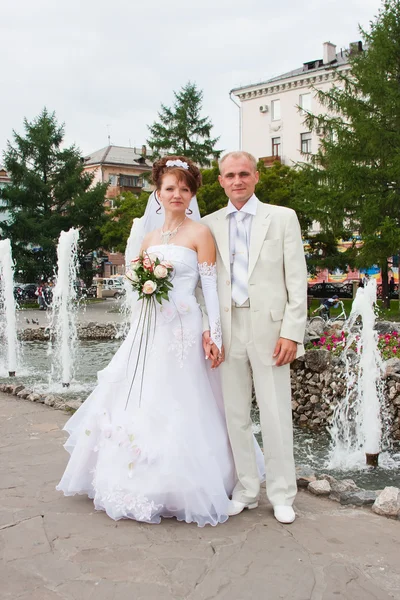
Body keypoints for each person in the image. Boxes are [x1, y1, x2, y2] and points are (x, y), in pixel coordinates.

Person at [57, 155, 264, 527]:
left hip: (185, 329)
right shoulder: (149, 239)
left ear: (192, 194)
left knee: (185, 402)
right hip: (150, 330)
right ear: (158, 191)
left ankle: (193, 484)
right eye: (171, 188)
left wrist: (213, 333)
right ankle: (137, 480)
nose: (177, 194)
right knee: (142, 397)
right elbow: (135, 288)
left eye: (185, 189)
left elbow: (211, 290)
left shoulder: (200, 234)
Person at [200, 151, 307, 524]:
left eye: (244, 173)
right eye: (230, 175)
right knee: (235, 415)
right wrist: (209, 332)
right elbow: (203, 285)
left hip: (271, 330)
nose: (237, 180)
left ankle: (281, 494)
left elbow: (297, 280)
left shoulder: (282, 218)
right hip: (228, 331)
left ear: (256, 177)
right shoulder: (210, 224)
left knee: (276, 415)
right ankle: (245, 489)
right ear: (221, 181)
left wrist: (292, 332)